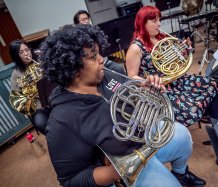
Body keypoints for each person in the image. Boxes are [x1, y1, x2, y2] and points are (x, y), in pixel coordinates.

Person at [40, 24, 206, 187]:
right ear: (73, 69)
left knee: (183, 136)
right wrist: (117, 172)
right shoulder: (61, 120)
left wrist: (146, 87)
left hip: (144, 138)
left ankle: (181, 174)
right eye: (92, 57)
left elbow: (133, 92)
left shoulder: (109, 70)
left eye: (98, 53)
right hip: (124, 162)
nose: (101, 60)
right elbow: (70, 179)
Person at [126, 6, 218, 127]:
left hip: (177, 80)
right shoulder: (135, 47)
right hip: (160, 88)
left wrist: (185, 49)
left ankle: (216, 126)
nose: (159, 24)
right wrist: (149, 82)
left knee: (213, 84)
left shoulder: (162, 38)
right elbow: (131, 77)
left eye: (159, 20)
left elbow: (178, 60)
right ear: (143, 23)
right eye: (154, 21)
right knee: (188, 111)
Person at [9, 40, 49, 134]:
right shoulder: (15, 75)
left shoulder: (41, 62)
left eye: (27, 49)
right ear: (16, 56)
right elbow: (17, 96)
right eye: (21, 52)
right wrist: (26, 91)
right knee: (40, 123)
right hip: (38, 106)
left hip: (53, 98)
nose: (26, 54)